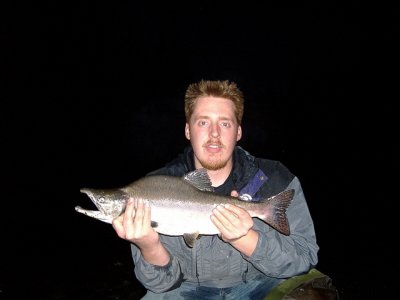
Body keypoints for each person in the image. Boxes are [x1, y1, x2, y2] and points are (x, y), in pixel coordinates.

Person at [112, 79, 319, 299]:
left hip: (262, 285)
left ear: (238, 132)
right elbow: (161, 285)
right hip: (187, 290)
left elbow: (304, 257)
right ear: (188, 130)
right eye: (203, 122)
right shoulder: (154, 187)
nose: (214, 134)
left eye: (225, 123)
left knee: (313, 293)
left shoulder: (274, 178)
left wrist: (245, 239)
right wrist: (149, 245)